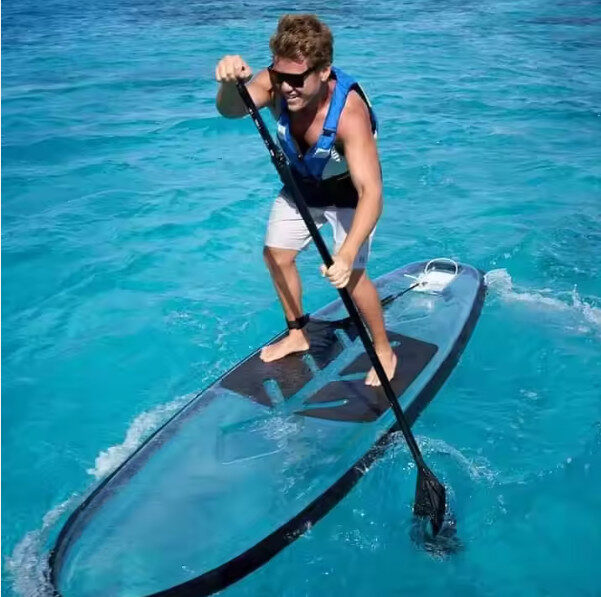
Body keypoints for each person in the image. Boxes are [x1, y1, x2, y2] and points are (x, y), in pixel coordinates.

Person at [215, 14, 396, 386]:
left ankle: (382, 349)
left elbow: (371, 193)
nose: (287, 88)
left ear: (324, 71)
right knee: (276, 256)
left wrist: (346, 253)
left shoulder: (349, 114)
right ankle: (297, 332)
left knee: (351, 275)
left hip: (349, 193)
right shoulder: (275, 84)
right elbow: (231, 108)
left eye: (297, 79)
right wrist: (228, 84)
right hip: (302, 185)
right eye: (280, 76)